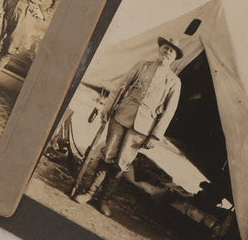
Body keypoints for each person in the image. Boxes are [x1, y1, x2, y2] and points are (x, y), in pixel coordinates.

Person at [73, 37, 184, 216]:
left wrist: (155, 136)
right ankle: (89, 193)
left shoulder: (173, 82)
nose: (167, 52)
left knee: (122, 161)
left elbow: (169, 112)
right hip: (122, 115)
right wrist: (107, 108)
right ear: (159, 50)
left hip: (143, 127)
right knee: (108, 153)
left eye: (171, 51)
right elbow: (120, 87)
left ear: (174, 58)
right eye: (165, 48)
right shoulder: (143, 66)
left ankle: (103, 199)